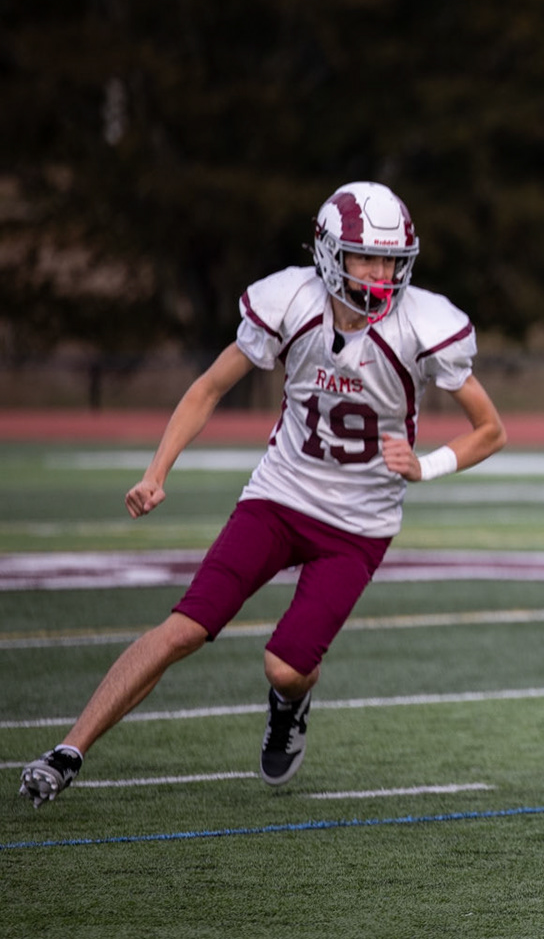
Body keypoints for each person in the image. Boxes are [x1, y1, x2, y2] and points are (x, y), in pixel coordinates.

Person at [18, 181, 506, 806]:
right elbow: (208, 388)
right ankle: (66, 752)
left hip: (358, 526)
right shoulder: (290, 301)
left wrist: (424, 466)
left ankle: (289, 703)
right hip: (278, 497)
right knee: (184, 628)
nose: (382, 274)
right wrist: (156, 471)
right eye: (367, 258)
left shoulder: (423, 324)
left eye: (391, 261)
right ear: (330, 252)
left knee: (286, 666)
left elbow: (490, 429)